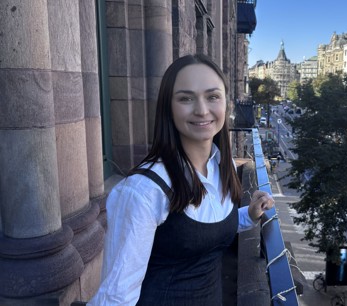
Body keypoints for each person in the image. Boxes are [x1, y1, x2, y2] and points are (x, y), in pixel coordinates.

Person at [88, 54, 275, 305]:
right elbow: (116, 296)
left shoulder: (222, 167)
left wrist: (249, 215)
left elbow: (209, 230)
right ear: (169, 108)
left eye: (212, 96)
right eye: (186, 98)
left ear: (226, 104)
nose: (201, 110)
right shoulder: (143, 191)